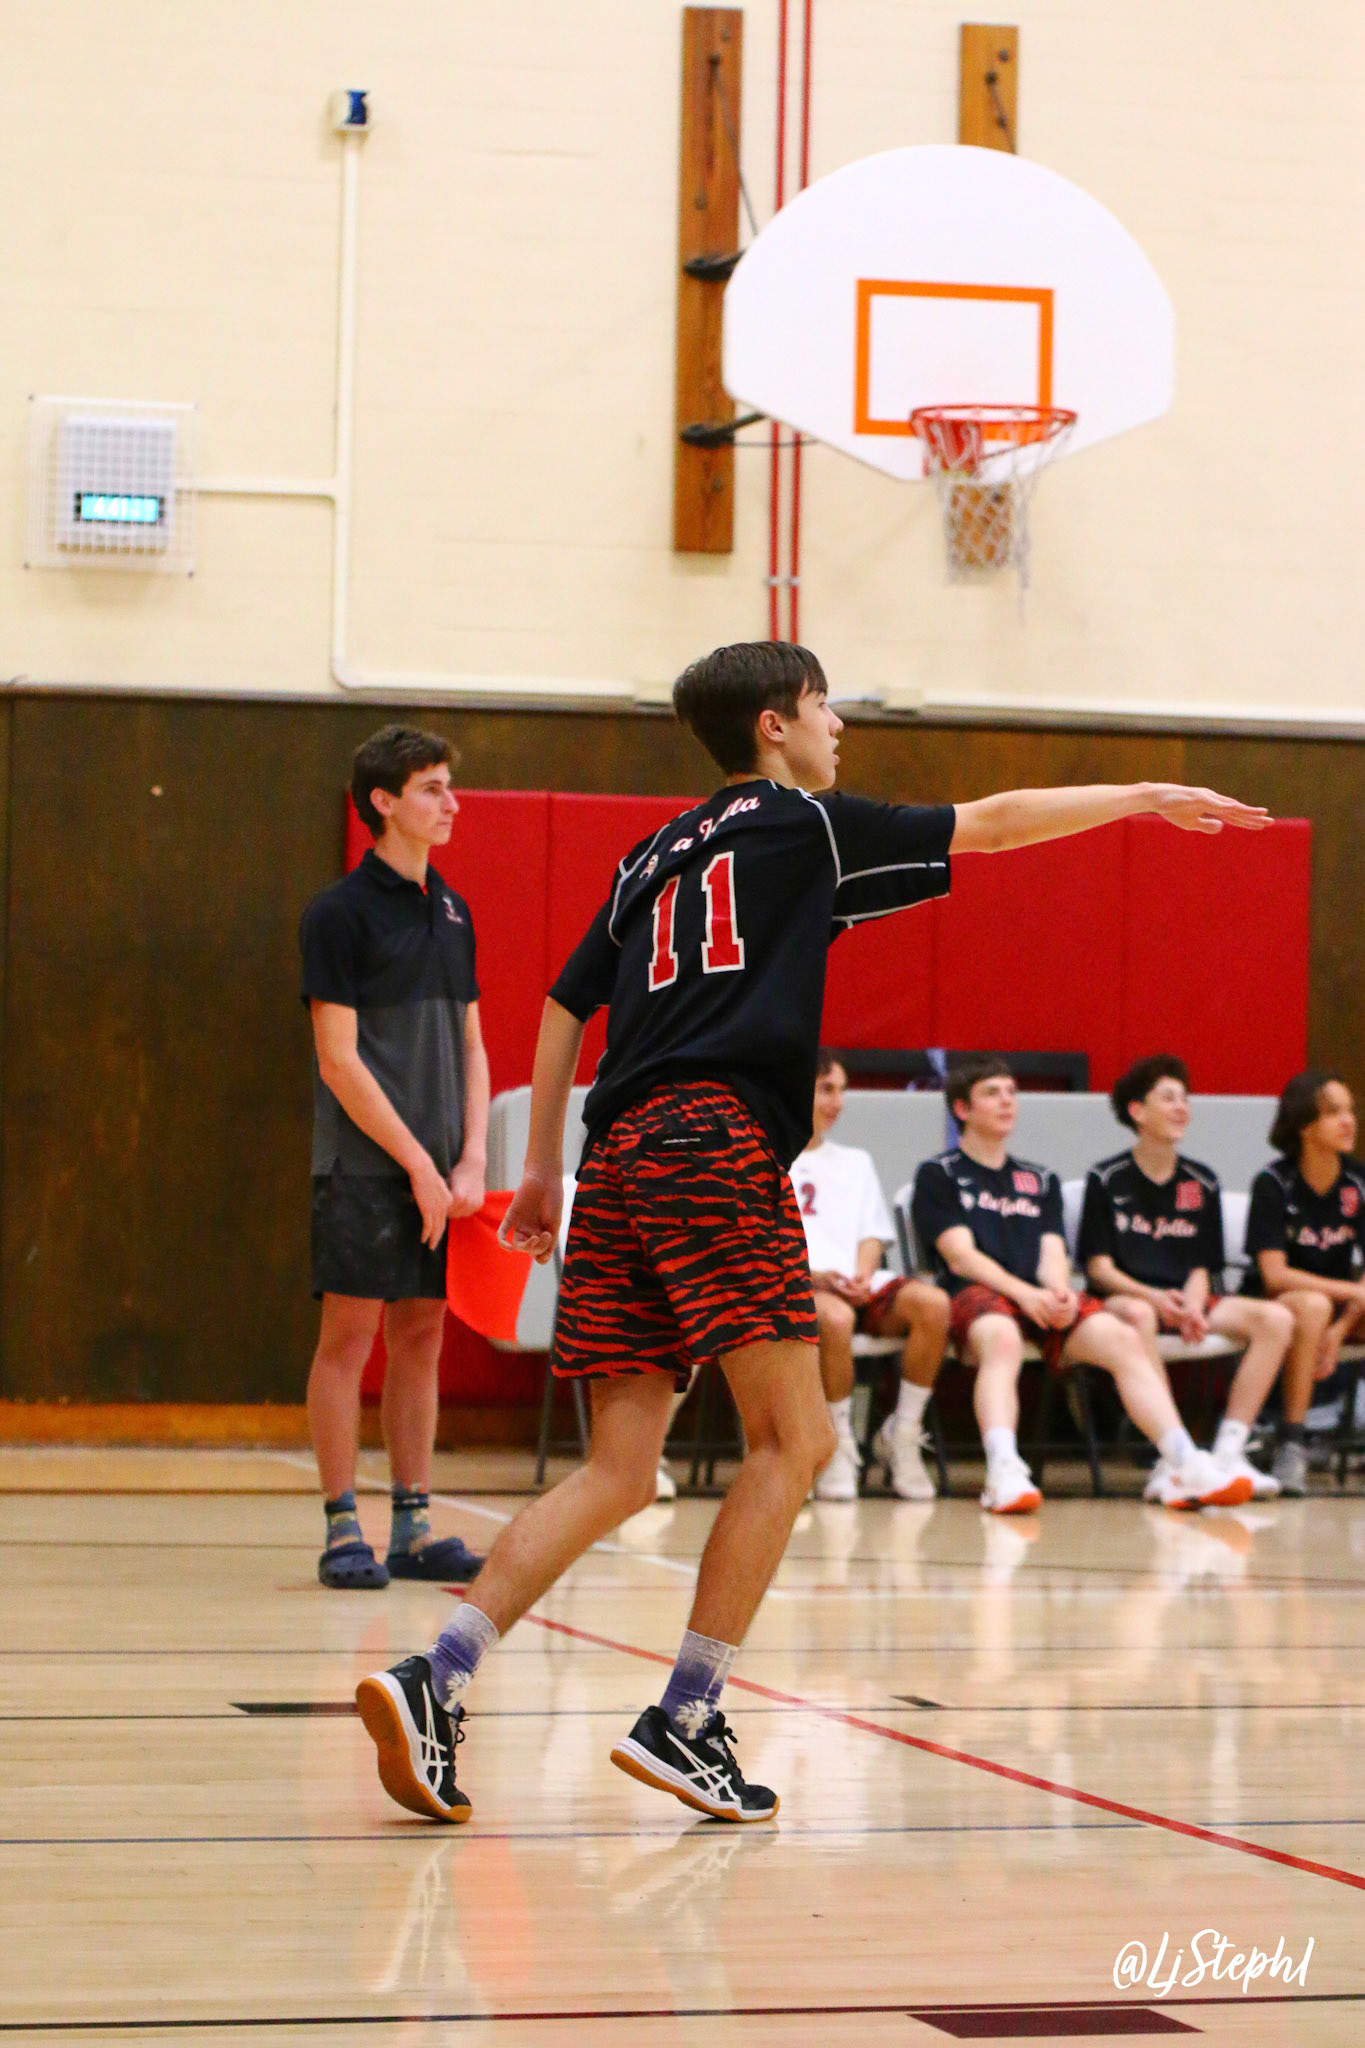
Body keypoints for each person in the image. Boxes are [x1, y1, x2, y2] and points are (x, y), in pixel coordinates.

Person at [355, 640, 1268, 1826]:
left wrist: (540, 1172)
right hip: (714, 1138)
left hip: (614, 1155)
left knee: (620, 1467)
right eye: (826, 705)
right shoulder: (810, 825)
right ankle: (687, 1716)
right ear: (775, 725)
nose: (841, 726)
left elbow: (567, 1000)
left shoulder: (649, 854)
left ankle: (437, 1674)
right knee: (796, 1438)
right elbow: (993, 823)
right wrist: (1142, 794)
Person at [298, 725, 486, 1590]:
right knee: (349, 1339)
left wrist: (470, 1158)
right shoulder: (338, 914)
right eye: (432, 789)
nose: (452, 804)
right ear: (383, 801)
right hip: (367, 1166)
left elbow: (472, 1045)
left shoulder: (453, 910)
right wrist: (414, 1161)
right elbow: (338, 1061)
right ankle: (343, 1527)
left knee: (422, 1334)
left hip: (441, 1171)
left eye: (449, 786)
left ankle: (414, 1527)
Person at [912, 1056, 1257, 1517]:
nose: (1007, 1101)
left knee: (1121, 1338)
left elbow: (1053, 1251)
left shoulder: (1039, 1179)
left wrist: (1057, 1291)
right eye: (992, 1093)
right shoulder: (939, 1173)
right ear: (962, 1109)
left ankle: (1183, 1462)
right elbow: (961, 1256)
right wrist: (1026, 1295)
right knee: (1003, 1338)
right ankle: (1004, 1471)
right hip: (975, 1294)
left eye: (1012, 1092)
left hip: (1037, 1296)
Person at [1078, 1054, 1294, 1501]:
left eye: (1185, 1099)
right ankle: (1172, 1459)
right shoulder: (1106, 1178)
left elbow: (1202, 1266)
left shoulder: (1202, 1181)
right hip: (1126, 1299)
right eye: (1168, 1098)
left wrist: (1193, 1305)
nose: (1181, 1108)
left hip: (1187, 1300)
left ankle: (1228, 1453)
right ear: (1137, 1111)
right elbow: (1099, 1269)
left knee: (1276, 1319)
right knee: (1138, 1315)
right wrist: (1156, 1299)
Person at [791, 1049, 948, 1500]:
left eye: (842, 1090)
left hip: (857, 1284)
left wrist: (862, 1274)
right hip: (798, 1287)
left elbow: (873, 1234)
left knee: (933, 1305)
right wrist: (816, 1276)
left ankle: (904, 1435)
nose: (837, 1102)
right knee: (835, 1319)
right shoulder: (767, 1159)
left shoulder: (854, 1161)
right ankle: (838, 1444)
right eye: (826, 1090)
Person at [1239, 1070, 1365, 1496]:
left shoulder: (1357, 1183)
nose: (1348, 1121)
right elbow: (1275, 1276)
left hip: (1337, 1308)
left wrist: (1341, 1329)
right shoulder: (1273, 1183)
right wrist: (1352, 1293)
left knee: (1323, 1308)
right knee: (1313, 1305)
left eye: (1350, 1111)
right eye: (1334, 1113)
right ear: (1305, 1126)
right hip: (1276, 1303)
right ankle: (1291, 1442)